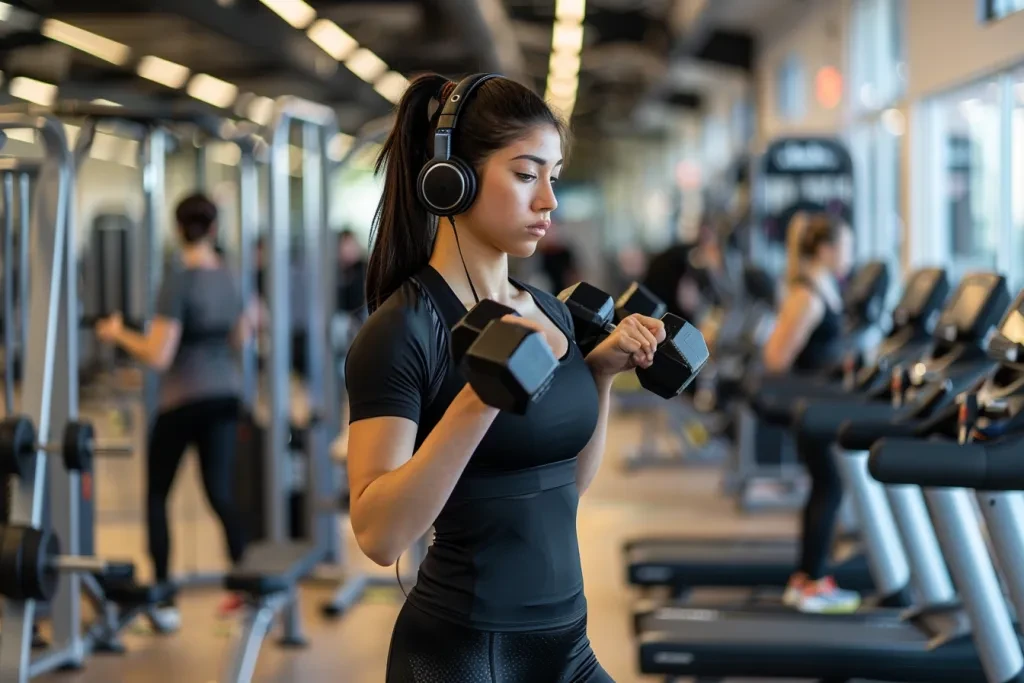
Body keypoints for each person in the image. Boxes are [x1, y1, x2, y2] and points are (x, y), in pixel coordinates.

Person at [344, 72, 666, 682]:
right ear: (451, 180)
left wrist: (596, 377)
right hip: (462, 655)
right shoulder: (405, 330)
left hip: (567, 646)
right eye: (525, 175)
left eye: (554, 177)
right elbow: (378, 533)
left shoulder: (547, 310)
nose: (548, 200)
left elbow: (566, 484)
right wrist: (480, 398)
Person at [95, 193, 257, 628]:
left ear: (176, 229)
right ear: (215, 229)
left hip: (182, 400)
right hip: (225, 396)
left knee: (156, 496)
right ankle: (248, 590)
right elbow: (243, 338)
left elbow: (159, 354)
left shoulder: (178, 279)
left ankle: (164, 601)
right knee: (220, 494)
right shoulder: (230, 276)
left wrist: (117, 333)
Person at [761, 212, 859, 614]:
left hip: (823, 404)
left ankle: (809, 578)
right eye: (846, 246)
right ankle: (810, 582)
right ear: (825, 249)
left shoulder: (823, 290)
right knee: (829, 487)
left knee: (828, 487)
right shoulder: (808, 296)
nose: (850, 255)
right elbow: (775, 359)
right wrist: (820, 373)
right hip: (810, 406)